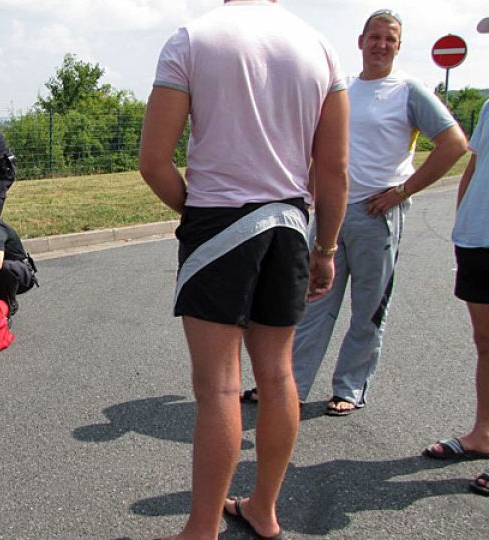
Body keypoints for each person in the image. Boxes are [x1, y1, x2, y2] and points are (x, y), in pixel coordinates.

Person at [138, 1, 348, 538]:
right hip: (291, 224)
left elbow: (153, 160)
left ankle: (202, 528)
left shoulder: (193, 38)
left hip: (220, 219)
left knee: (219, 389)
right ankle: (264, 508)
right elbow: (335, 167)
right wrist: (325, 247)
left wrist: (199, 215)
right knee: (279, 376)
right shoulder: (320, 47)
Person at [278, 9, 467, 416]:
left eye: (390, 39)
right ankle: (291, 386)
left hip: (375, 214)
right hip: (332, 213)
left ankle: (350, 386)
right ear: (360, 41)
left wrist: (402, 191)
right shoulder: (342, 88)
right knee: (313, 301)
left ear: (398, 47)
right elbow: (321, 152)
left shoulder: (408, 91)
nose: (381, 45)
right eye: (374, 37)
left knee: (368, 308)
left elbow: (453, 144)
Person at [422, 20, 489, 497]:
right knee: (485, 342)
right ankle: (483, 432)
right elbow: (476, 164)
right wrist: (462, 220)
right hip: (478, 237)